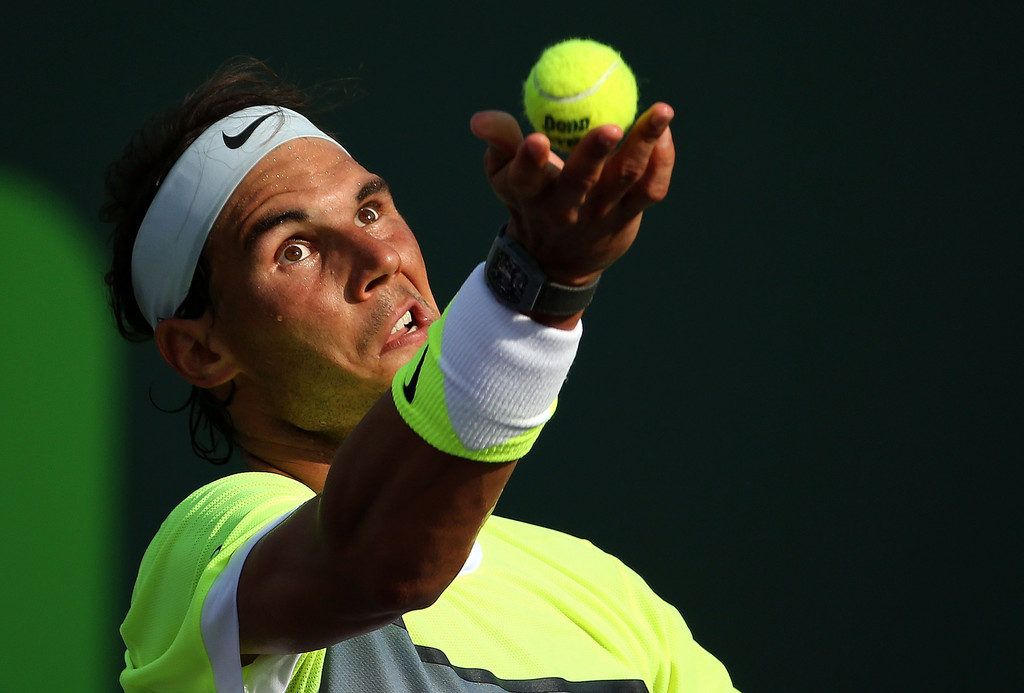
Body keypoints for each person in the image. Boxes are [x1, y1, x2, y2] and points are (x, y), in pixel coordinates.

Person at [105, 57, 737, 692]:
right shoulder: (209, 548)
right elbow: (380, 563)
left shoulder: (606, 593)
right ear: (200, 352)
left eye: (372, 212)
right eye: (294, 249)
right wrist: (537, 284)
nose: (380, 258)